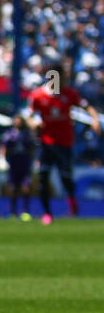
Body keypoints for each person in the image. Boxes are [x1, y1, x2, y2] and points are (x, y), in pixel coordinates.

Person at [27, 59, 101, 223]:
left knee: (65, 177)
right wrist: (34, 125)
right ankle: (47, 214)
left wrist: (94, 119)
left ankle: (72, 202)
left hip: (64, 143)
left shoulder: (69, 94)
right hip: (45, 144)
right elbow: (29, 117)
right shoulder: (38, 96)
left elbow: (87, 107)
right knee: (42, 177)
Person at [0, 114, 35, 220]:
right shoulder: (9, 134)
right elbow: (4, 146)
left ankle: (25, 211)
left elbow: (32, 148)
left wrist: (35, 161)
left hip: (25, 162)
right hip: (14, 163)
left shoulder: (27, 134)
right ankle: (13, 212)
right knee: (12, 187)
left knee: (25, 187)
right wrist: (2, 158)